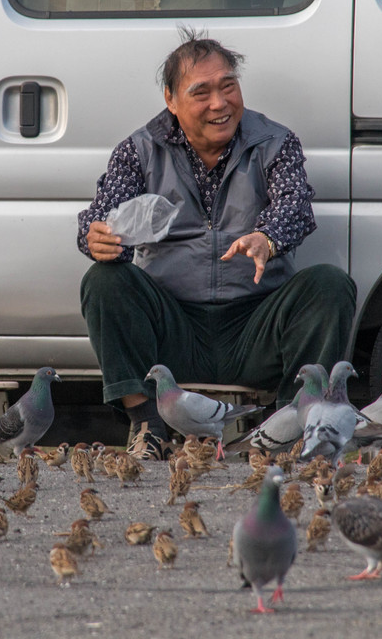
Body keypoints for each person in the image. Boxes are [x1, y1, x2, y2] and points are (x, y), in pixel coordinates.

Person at [78, 28, 356, 451]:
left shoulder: (274, 142)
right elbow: (103, 216)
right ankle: (147, 425)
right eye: (202, 92)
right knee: (103, 280)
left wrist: (267, 237)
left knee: (329, 285)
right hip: (174, 328)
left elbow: (295, 206)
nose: (220, 103)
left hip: (255, 324)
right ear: (170, 100)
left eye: (228, 86)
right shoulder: (139, 150)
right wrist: (94, 236)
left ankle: (288, 427)